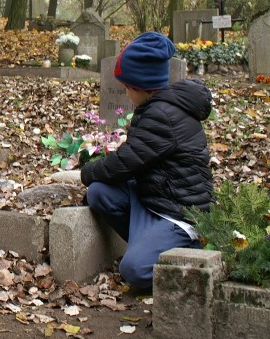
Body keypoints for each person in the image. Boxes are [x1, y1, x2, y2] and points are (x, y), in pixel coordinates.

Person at [78, 32, 213, 290]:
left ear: (142, 86)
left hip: (181, 215)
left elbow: (124, 163)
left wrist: (84, 173)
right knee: (100, 193)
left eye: (127, 87)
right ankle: (148, 245)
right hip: (156, 200)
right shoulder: (158, 107)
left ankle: (185, 251)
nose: (126, 93)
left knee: (135, 270)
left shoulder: (164, 116)